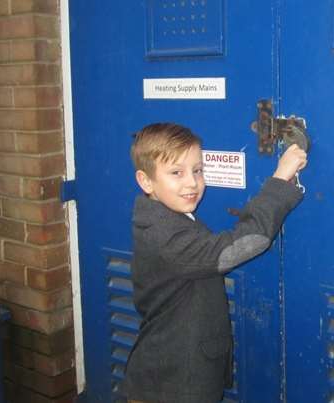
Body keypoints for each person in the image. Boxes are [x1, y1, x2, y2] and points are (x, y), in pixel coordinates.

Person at [121, 123, 308, 403]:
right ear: (146, 181)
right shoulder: (164, 237)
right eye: (176, 173)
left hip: (178, 372)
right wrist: (281, 178)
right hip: (172, 383)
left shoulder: (165, 217)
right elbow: (247, 241)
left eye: (197, 170)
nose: (192, 183)